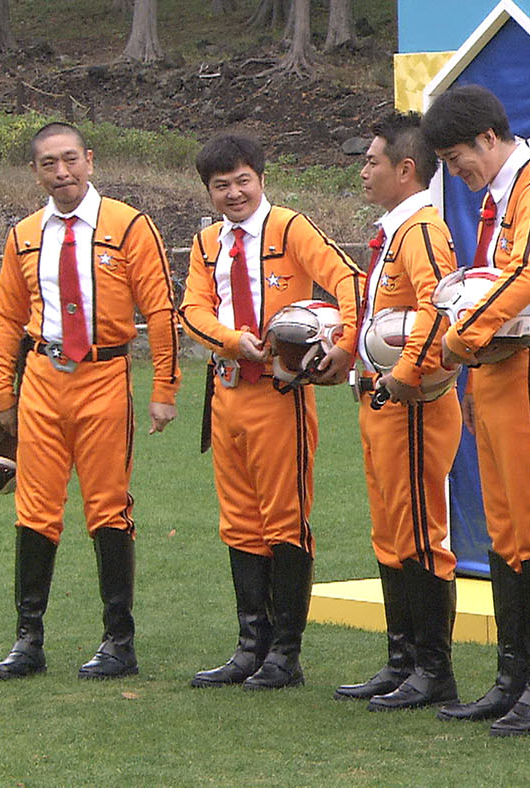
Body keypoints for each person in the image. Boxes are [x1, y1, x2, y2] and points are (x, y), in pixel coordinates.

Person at [0, 122, 180, 681]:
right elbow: (7, 316)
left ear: (89, 161)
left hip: (104, 377)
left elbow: (160, 310)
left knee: (108, 506)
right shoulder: (24, 234)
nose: (62, 172)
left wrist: (164, 389)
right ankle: (28, 639)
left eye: (70, 159)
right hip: (43, 380)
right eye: (49, 163)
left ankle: (119, 640)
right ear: (35, 172)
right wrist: (2, 392)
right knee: (34, 510)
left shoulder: (128, 225)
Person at [180, 134, 363, 690]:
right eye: (221, 186)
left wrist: (344, 344)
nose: (234, 193)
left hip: (281, 396)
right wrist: (232, 340)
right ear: (208, 192)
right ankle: (249, 647)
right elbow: (191, 308)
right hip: (227, 391)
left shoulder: (290, 228)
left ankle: (286, 653)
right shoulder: (207, 243)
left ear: (261, 179)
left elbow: (349, 279)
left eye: (243, 181)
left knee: (284, 519)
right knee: (239, 521)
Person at [422, 84, 530, 736]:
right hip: (496, 372)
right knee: (507, 532)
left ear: (489, 137)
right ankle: (513, 680)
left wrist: (460, 337)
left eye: (456, 157)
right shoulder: (502, 196)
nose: (455, 171)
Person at [334, 112, 463, 711]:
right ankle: (402, 660)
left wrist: (406, 375)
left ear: (405, 169)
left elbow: (438, 308)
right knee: (390, 532)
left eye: (371, 161)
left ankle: (433, 669)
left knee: (418, 534)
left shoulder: (421, 231)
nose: (363, 171)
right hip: (379, 401)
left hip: (408, 405)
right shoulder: (396, 230)